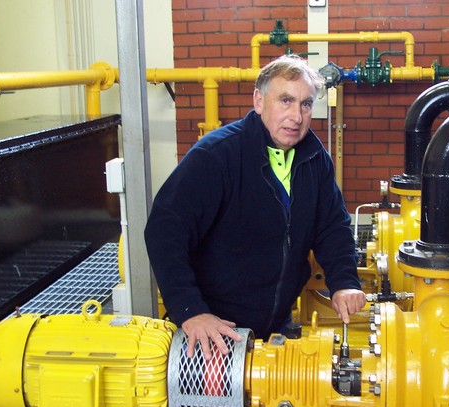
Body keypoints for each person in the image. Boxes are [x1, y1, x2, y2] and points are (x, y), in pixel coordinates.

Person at [144, 54, 366, 360]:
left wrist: (344, 283)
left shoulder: (315, 160)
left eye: (305, 104)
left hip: (275, 327)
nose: (297, 116)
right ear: (259, 101)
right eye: (285, 101)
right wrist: (190, 310)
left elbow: (332, 226)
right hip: (216, 331)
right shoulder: (217, 155)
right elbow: (165, 230)